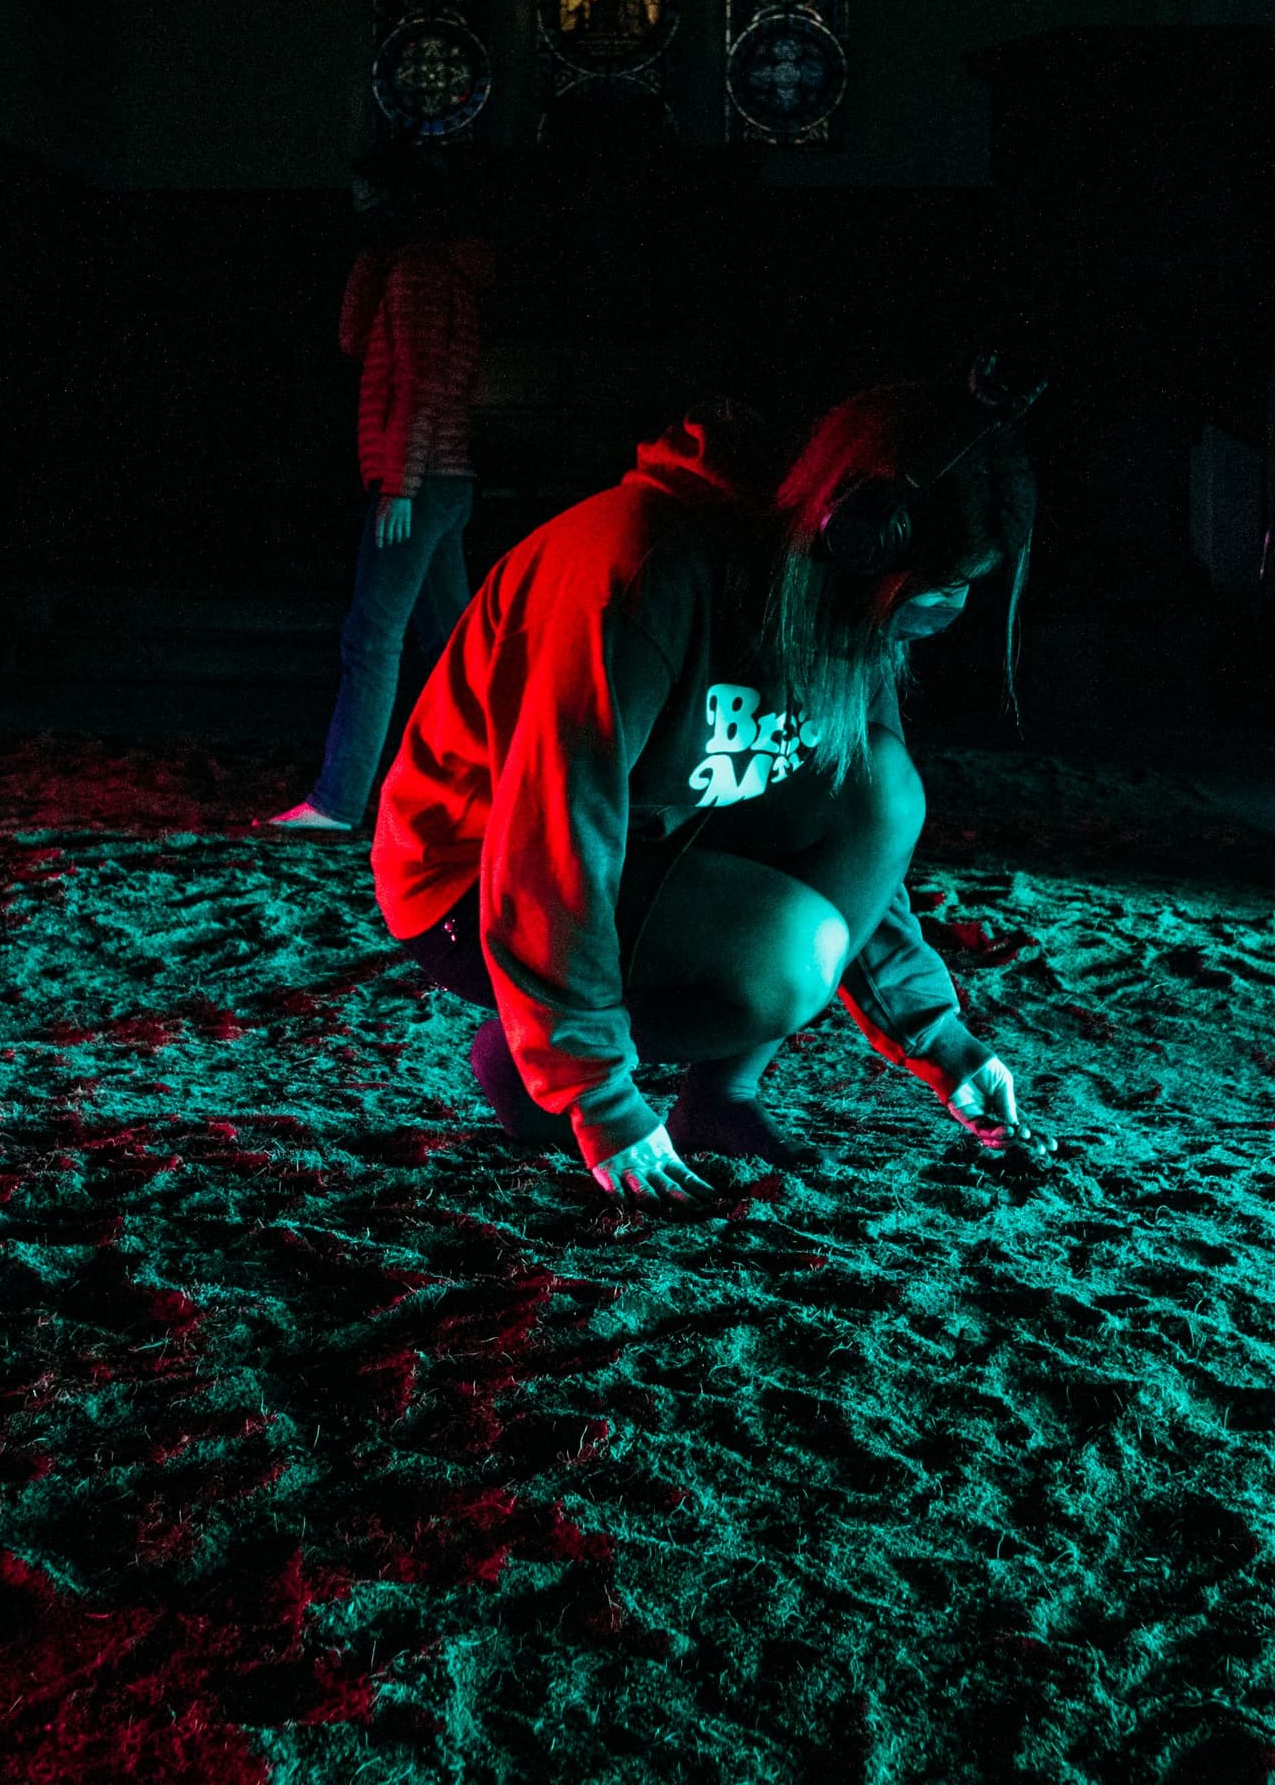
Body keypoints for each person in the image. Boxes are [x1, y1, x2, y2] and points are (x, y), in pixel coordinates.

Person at [370, 375, 1040, 1199]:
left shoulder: (833, 591)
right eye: (926, 593)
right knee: (794, 953)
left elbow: (863, 832)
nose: (936, 614)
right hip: (476, 878)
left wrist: (944, 1044)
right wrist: (597, 1096)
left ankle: (720, 1097)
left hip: (656, 834)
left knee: (885, 787)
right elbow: (555, 832)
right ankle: (523, 1049)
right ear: (856, 538)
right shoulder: (638, 565)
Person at [271, 155, 492, 833]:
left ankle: (338, 802)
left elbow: (421, 383)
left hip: (419, 481)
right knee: (451, 644)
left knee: (373, 637)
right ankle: (485, 785)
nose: (357, 210)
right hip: (444, 479)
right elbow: (353, 342)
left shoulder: (421, 273)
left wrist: (399, 484)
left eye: (368, 199)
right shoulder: (424, 270)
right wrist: (371, 263)